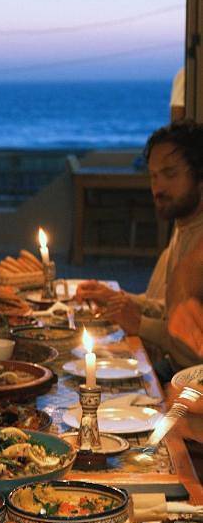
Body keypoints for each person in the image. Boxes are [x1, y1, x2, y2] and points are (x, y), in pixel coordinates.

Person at [76, 121, 203, 368]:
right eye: (153, 176)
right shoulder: (184, 228)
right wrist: (118, 298)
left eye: (170, 174)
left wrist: (140, 324)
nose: (158, 187)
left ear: (200, 176)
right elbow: (170, 311)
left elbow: (194, 344)